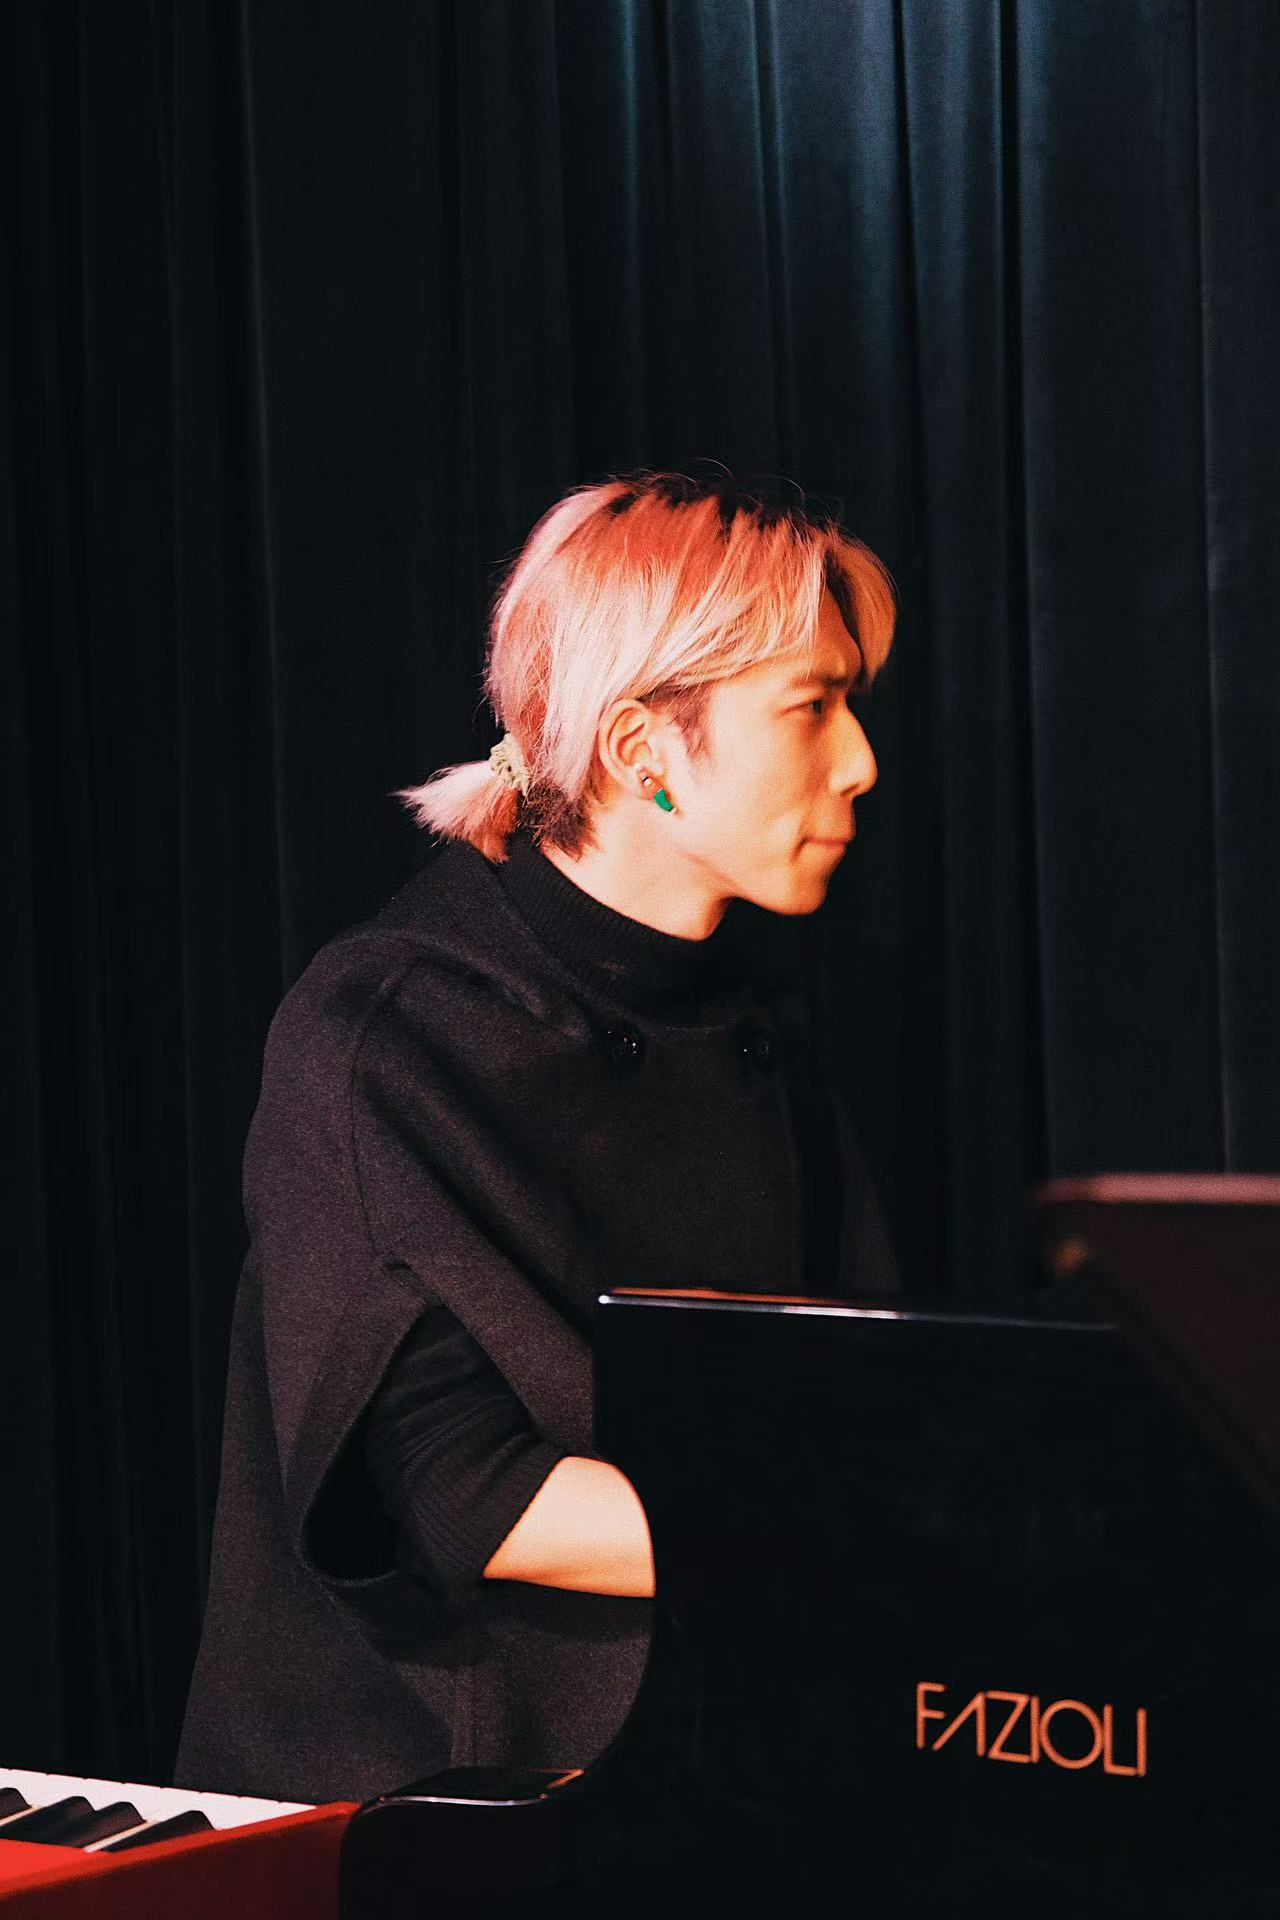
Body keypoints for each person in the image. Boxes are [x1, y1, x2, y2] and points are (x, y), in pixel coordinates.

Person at [174, 467, 902, 1806]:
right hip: (424, 1811)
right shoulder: (382, 1035)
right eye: (812, 706)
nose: (859, 759)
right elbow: (473, 1493)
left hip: (704, 1765)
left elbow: (846, 1399)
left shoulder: (762, 1023)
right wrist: (879, 1539)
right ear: (639, 750)